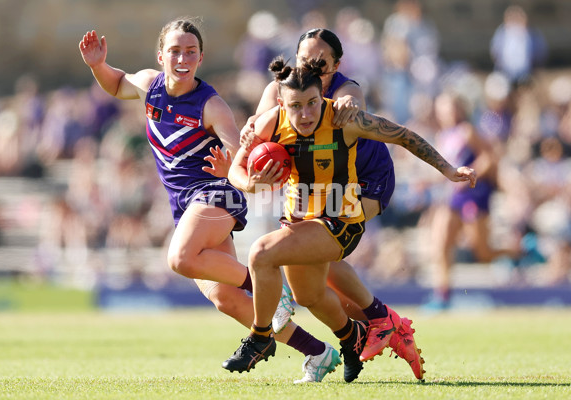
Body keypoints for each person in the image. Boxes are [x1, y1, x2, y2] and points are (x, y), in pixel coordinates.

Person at [78, 18, 342, 384]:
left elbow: (241, 152)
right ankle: (317, 351)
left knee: (180, 258)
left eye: (190, 51)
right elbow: (118, 84)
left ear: (200, 57)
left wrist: (232, 162)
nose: (182, 58)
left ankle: (267, 286)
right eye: (174, 51)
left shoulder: (211, 104)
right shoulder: (148, 85)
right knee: (227, 300)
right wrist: (97, 66)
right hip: (186, 206)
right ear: (161, 56)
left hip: (215, 194)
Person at [222, 57, 476, 377]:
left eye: (313, 103)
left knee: (260, 253)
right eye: (296, 106)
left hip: (340, 223)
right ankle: (352, 337)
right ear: (280, 103)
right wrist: (252, 183)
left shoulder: (344, 120)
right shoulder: (268, 124)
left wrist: (449, 170)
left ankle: (259, 338)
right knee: (309, 296)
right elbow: (236, 171)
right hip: (300, 221)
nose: (305, 114)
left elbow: (403, 136)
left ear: (322, 97)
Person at [238, 28, 424, 382]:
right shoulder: (282, 90)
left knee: (325, 243)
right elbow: (261, 131)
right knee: (312, 269)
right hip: (319, 187)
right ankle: (360, 330)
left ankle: (379, 317)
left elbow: (358, 104)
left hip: (365, 179)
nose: (311, 67)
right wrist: (247, 147)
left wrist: (352, 104)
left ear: (336, 65)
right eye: (304, 60)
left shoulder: (342, 89)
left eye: (320, 63)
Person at [423, 91, 518, 311]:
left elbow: (488, 158)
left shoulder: (467, 131)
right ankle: (442, 296)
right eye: (442, 108)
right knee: (441, 243)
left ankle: (519, 250)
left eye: (449, 107)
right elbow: (446, 168)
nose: (445, 112)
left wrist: (469, 176)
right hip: (451, 197)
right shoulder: (443, 135)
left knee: (482, 252)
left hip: (472, 195)